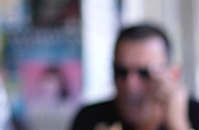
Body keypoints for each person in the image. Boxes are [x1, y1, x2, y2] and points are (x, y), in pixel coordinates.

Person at [70, 23, 199, 130]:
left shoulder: (194, 114)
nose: (130, 85)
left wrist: (178, 124)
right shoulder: (90, 117)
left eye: (144, 73)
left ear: (173, 75)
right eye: (121, 72)